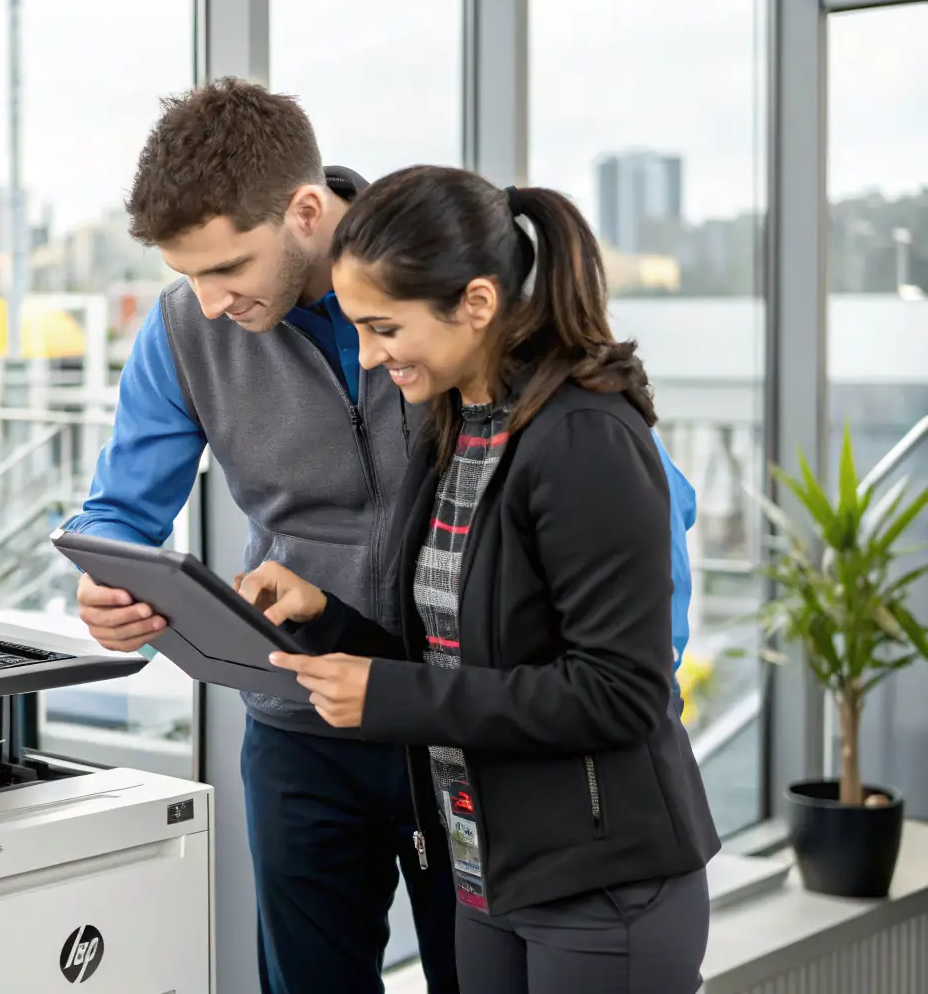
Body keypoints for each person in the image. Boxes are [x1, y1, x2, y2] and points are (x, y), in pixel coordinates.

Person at [62, 79, 697, 994]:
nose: (207, 303)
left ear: (305, 211)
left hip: (472, 722)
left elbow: (638, 512)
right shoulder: (185, 331)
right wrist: (108, 584)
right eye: (186, 276)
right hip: (304, 711)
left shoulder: (445, 290)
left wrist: (605, 726)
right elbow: (117, 509)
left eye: (228, 268)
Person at [238, 165, 721, 994]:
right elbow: (465, 661)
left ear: (476, 304)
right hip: (486, 875)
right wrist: (324, 620)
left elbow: (620, 693)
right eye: (357, 327)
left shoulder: (585, 440)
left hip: (600, 887)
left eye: (384, 326)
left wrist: (386, 697)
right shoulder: (457, 429)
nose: (366, 355)